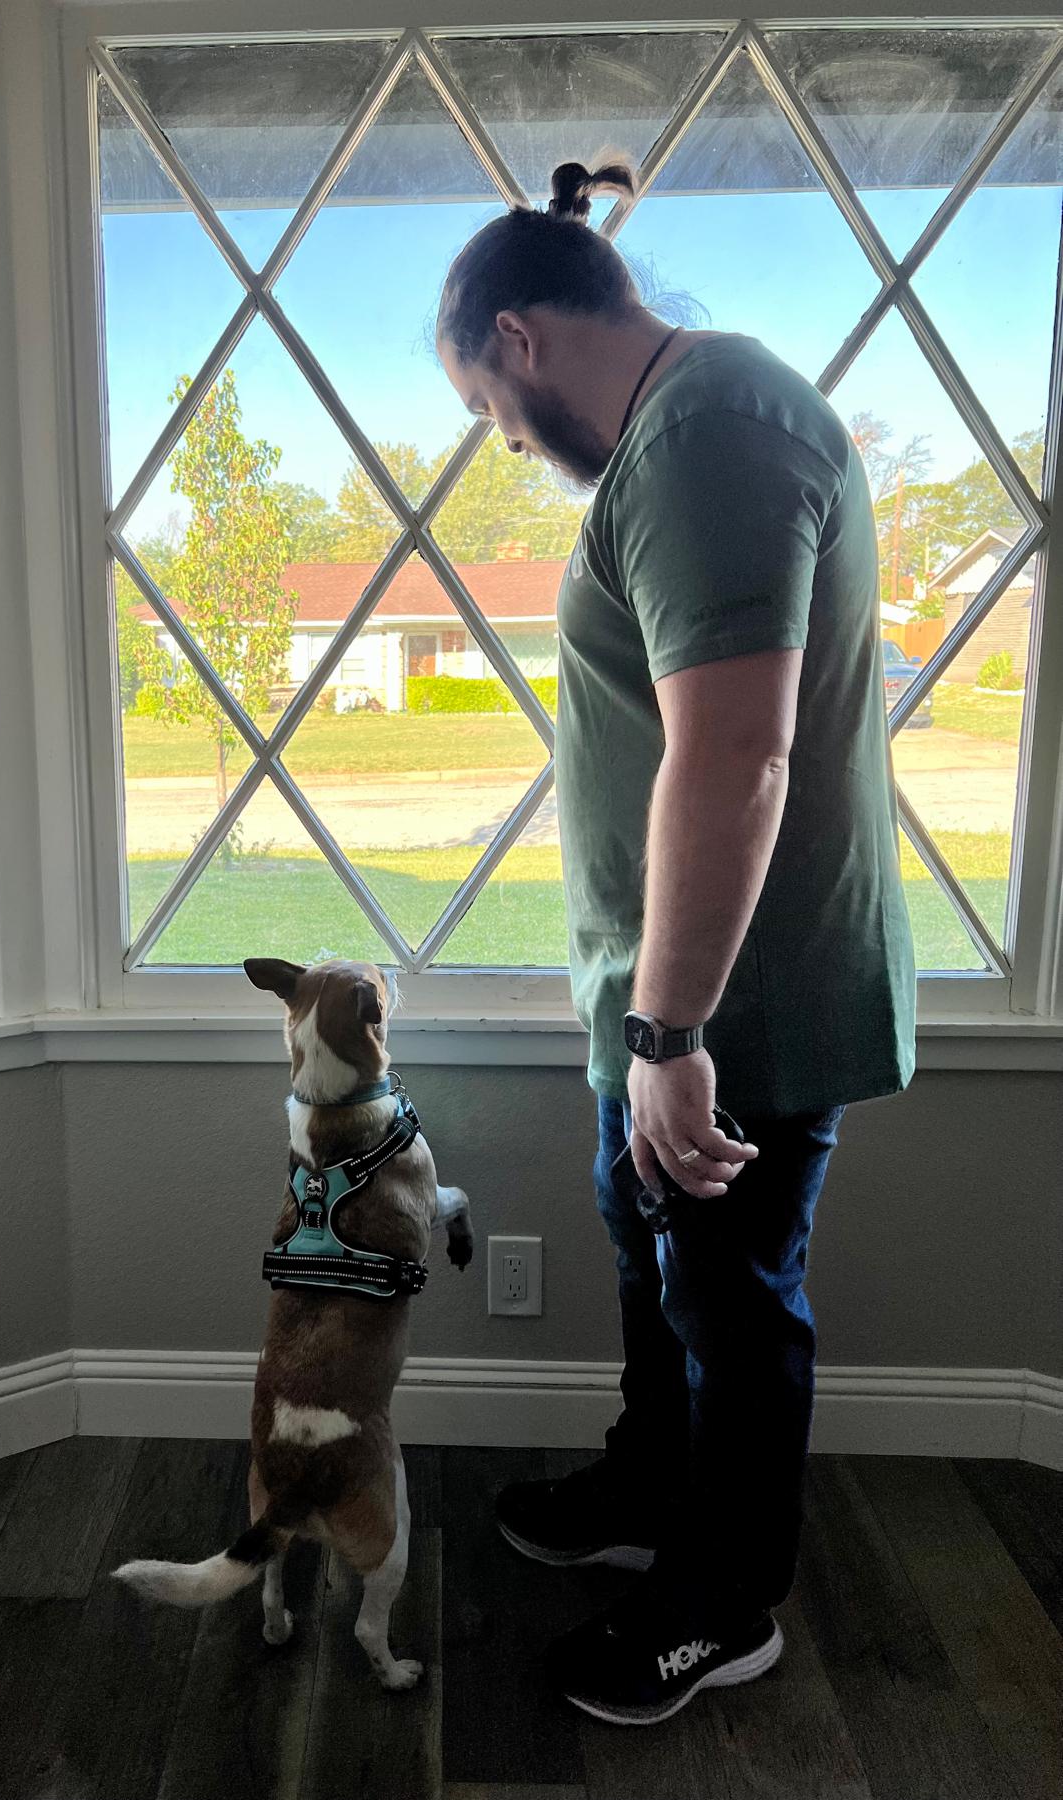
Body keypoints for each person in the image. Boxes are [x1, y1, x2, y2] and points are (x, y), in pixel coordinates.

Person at [436, 158, 916, 1727]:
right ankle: (654, 1491)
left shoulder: (710, 434)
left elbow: (737, 756)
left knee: (727, 1292)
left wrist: (667, 1037)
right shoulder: (677, 429)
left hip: (731, 1007)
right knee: (655, 1256)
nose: (509, 448)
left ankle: (723, 1605)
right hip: (667, 990)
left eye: (493, 413)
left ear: (518, 336)